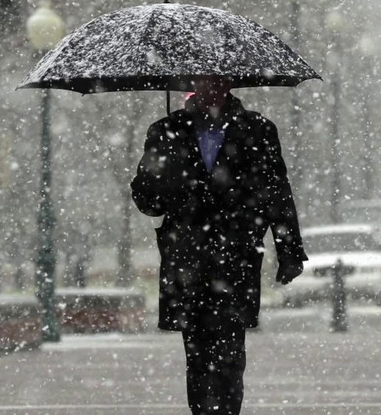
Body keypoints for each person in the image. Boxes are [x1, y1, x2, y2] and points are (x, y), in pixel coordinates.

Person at [130, 76, 307, 414]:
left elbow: (277, 194)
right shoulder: (166, 132)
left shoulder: (258, 130)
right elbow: (148, 202)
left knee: (230, 356)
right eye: (203, 79)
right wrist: (161, 175)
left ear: (230, 82)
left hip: (236, 258)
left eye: (217, 79)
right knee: (197, 357)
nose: (211, 86)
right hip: (187, 261)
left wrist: (289, 251)